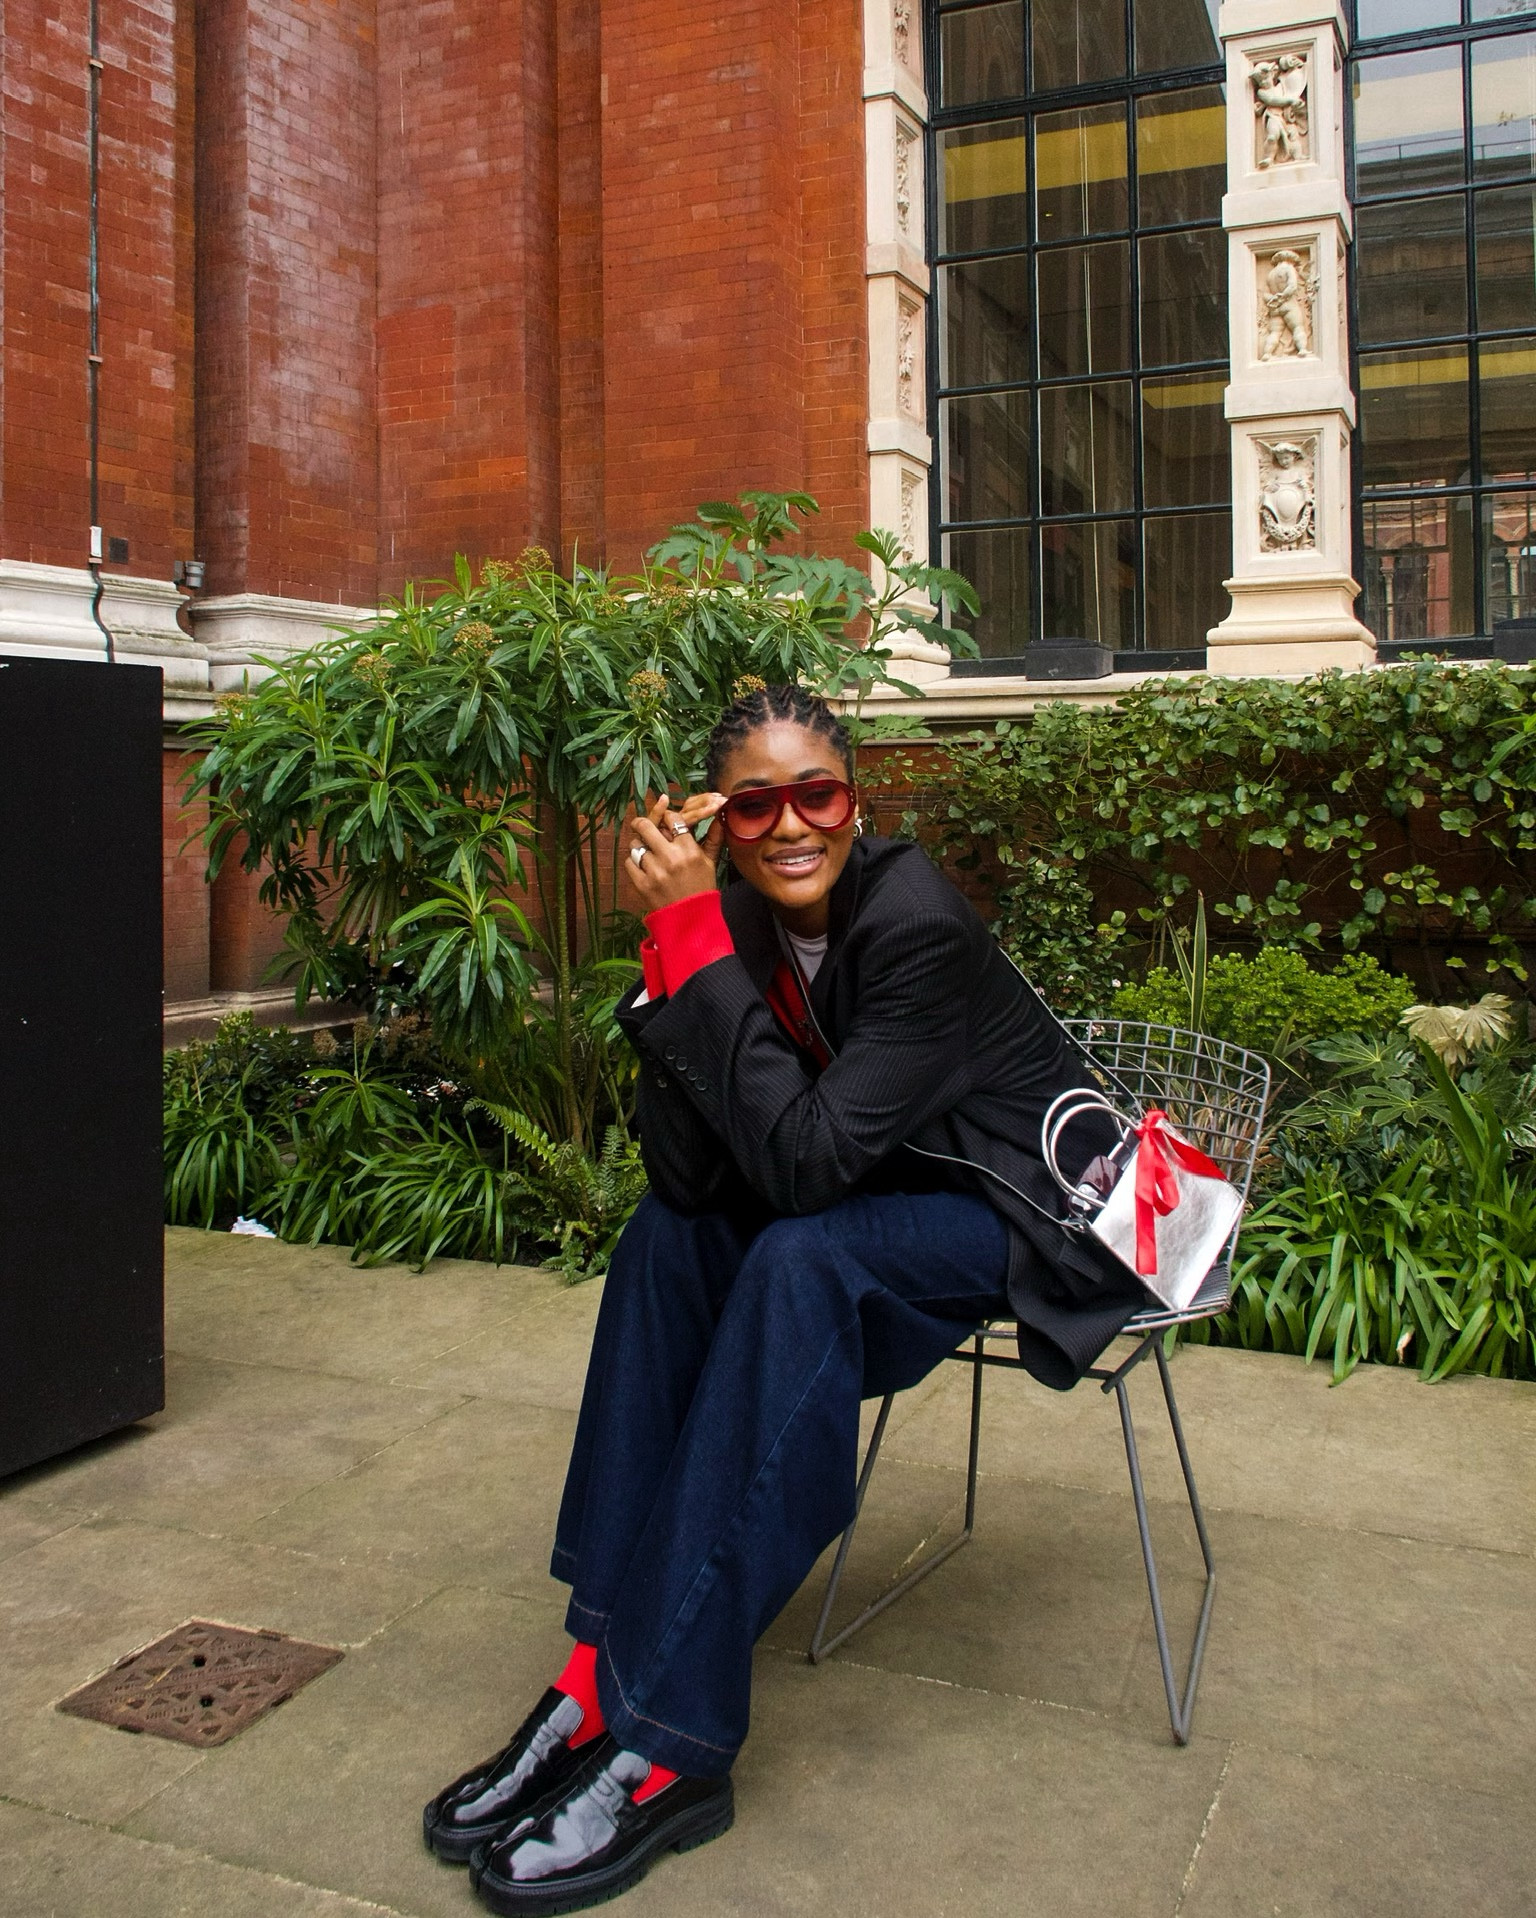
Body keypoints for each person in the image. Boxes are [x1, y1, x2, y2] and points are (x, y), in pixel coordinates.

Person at [421, 685, 1148, 1915]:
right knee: (669, 1240)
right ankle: (601, 1668)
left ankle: (676, 1741)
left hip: (1021, 1217)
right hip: (877, 1190)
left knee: (800, 1262)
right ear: (719, 822)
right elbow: (698, 1173)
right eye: (756, 803)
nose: (791, 825)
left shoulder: (914, 922)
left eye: (819, 793)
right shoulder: (743, 926)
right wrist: (673, 958)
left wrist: (699, 940)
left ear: (856, 801)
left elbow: (807, 1171)